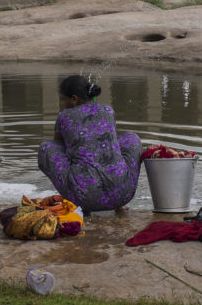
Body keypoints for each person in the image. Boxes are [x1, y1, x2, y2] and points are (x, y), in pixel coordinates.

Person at [38, 75, 142, 213]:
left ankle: (82, 206)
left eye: (63, 99)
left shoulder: (64, 116)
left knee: (47, 147)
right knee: (132, 138)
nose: (62, 103)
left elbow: (59, 144)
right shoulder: (107, 110)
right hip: (123, 193)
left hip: (84, 198)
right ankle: (119, 206)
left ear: (74, 99)